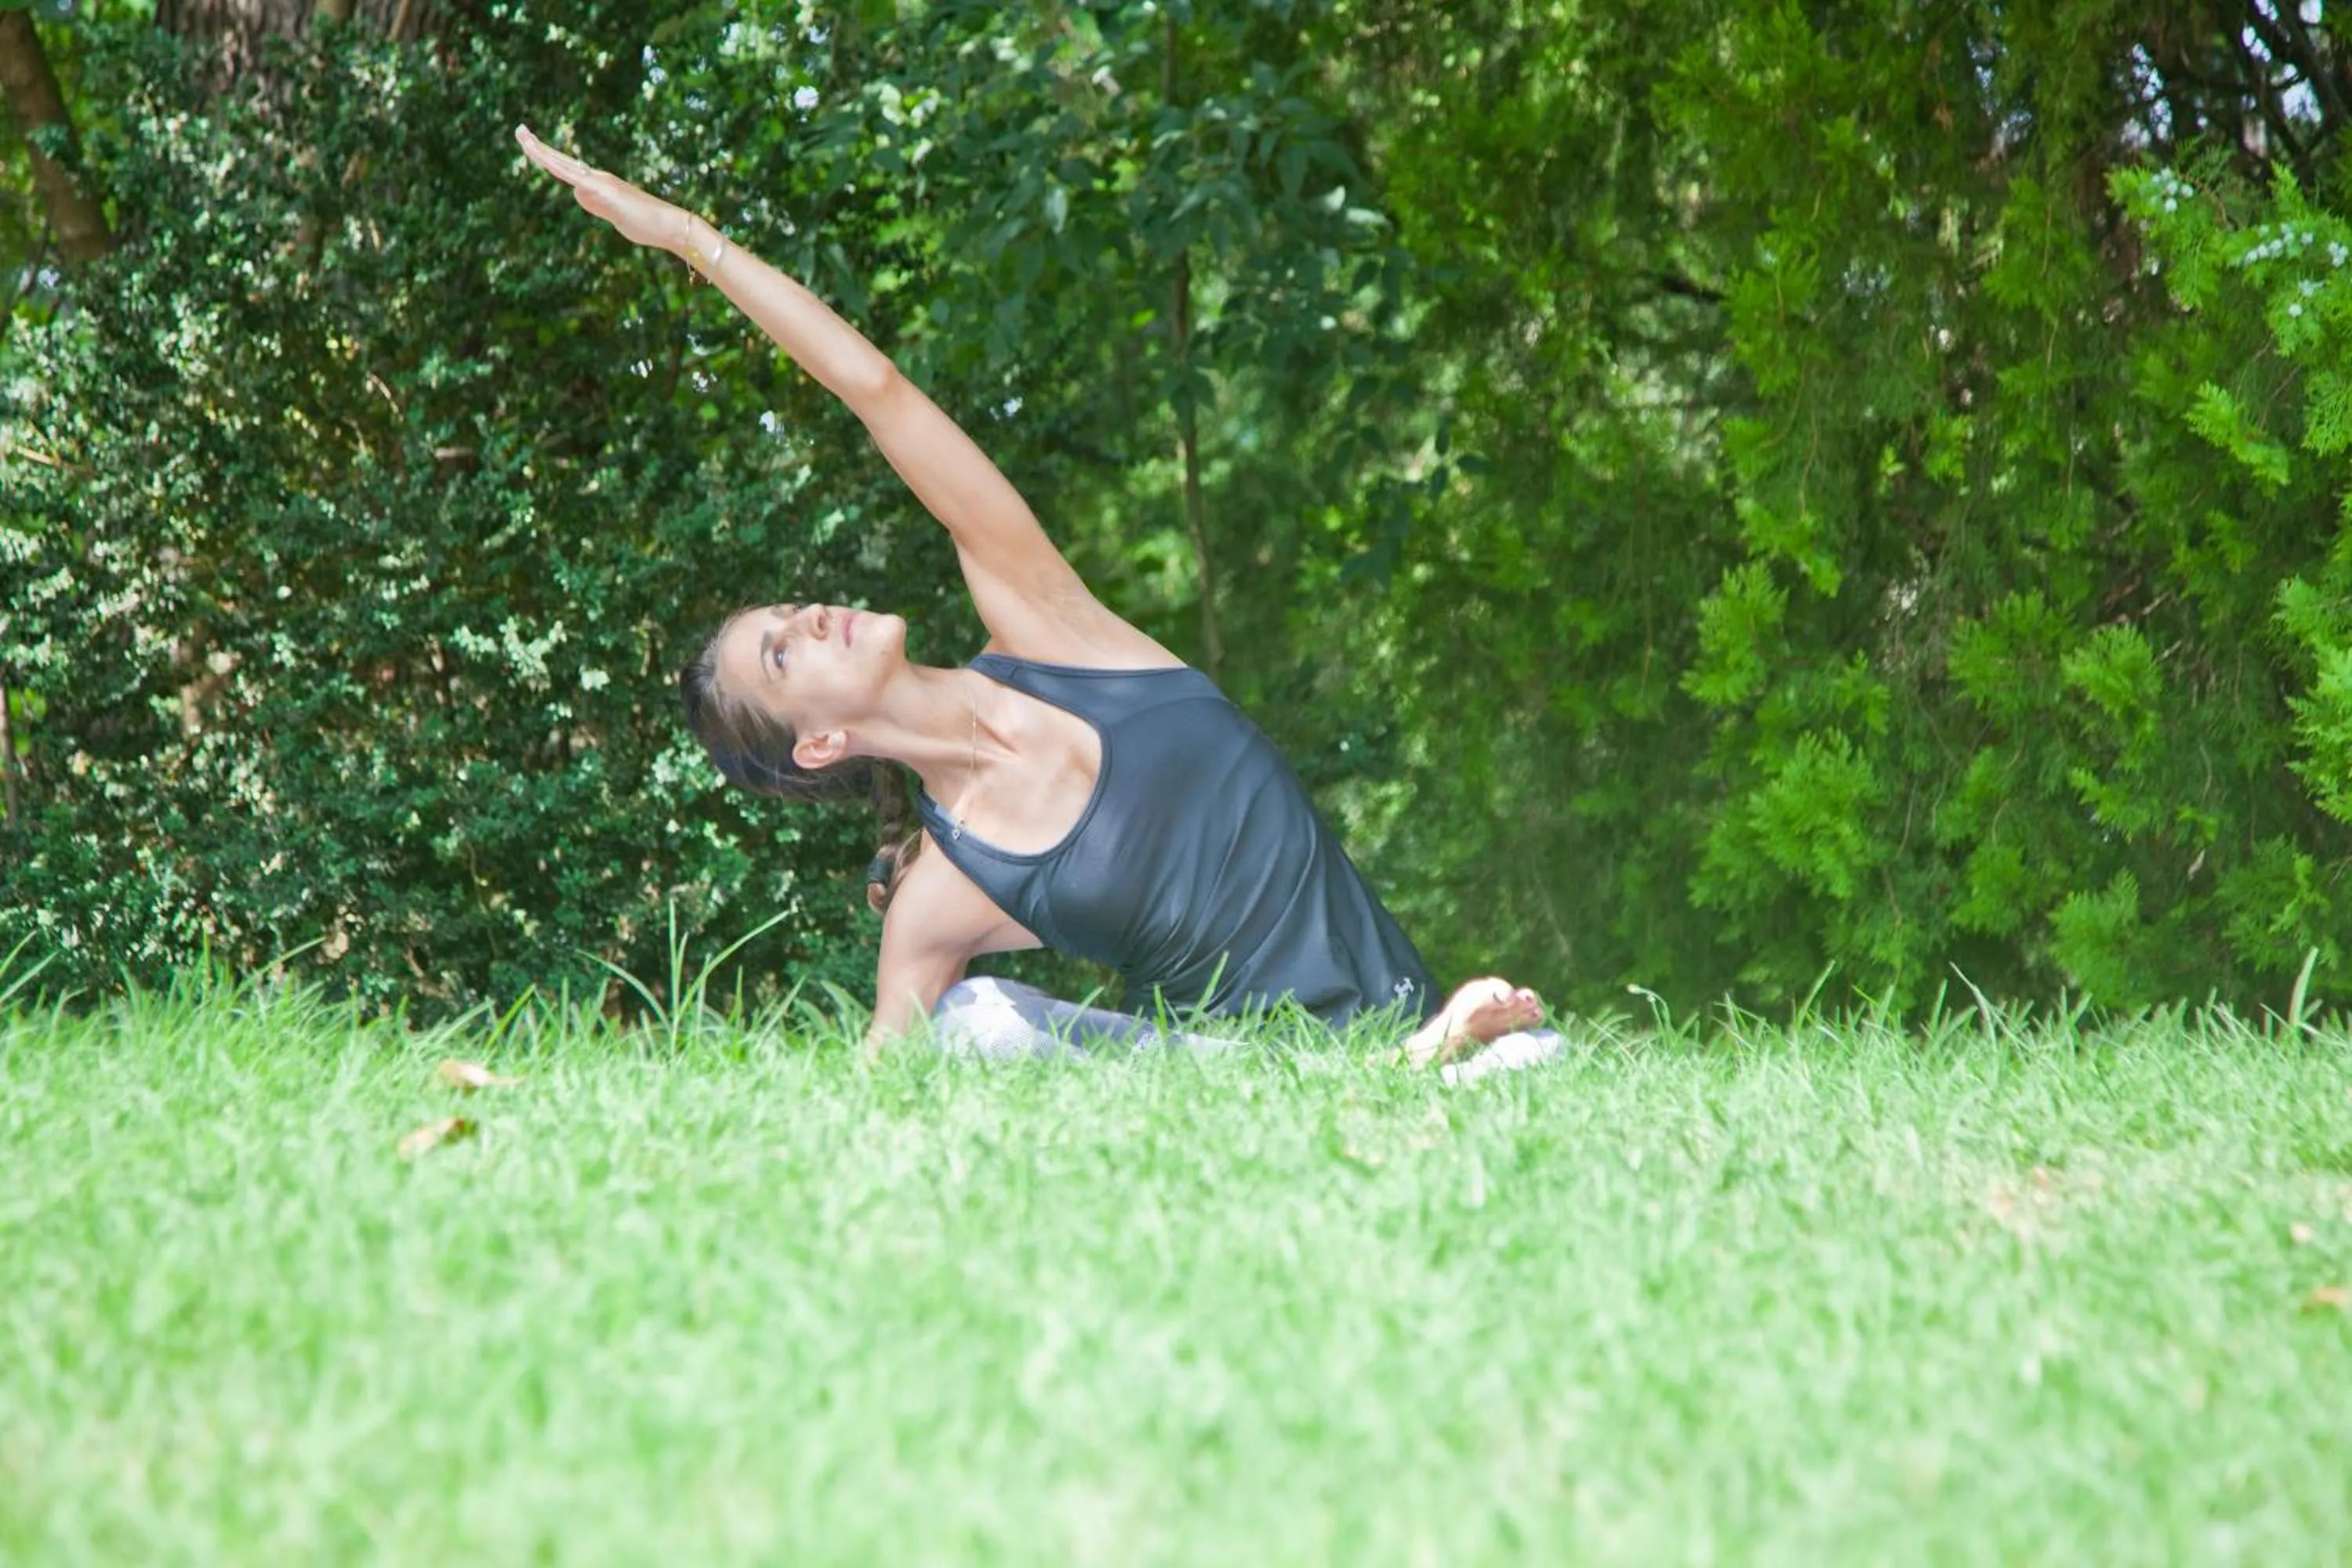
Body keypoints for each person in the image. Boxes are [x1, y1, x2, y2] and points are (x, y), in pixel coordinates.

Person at [515, 125, 1560, 1074]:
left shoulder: (1047, 626)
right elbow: (878, 1085)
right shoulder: (939, 899)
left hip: (1446, 1035)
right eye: (781, 657)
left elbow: (876, 391)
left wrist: (690, 239)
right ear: (821, 744)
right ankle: (1384, 1079)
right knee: (968, 1026)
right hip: (1240, 1084)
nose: (806, 618)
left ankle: (1424, 1064)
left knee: (1532, 1069)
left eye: (784, 612)